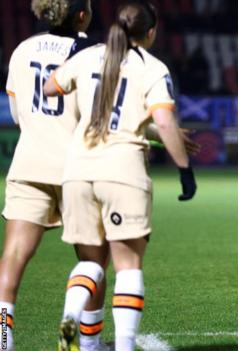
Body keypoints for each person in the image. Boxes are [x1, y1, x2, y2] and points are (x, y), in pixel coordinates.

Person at [43, 1, 196, 349]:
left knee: (91, 263)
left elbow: (51, 88)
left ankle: (70, 317)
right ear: (151, 32)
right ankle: (125, 345)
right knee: (127, 266)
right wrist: (184, 169)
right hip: (123, 171)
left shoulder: (88, 57)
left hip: (78, 170)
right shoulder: (152, 68)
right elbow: (163, 120)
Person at [0, 2, 112, 350]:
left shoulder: (22, 50)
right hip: (78, 168)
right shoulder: (93, 55)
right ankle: (89, 345)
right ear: (82, 15)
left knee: (14, 255)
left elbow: (19, 114)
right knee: (94, 261)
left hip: (29, 163)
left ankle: (2, 339)